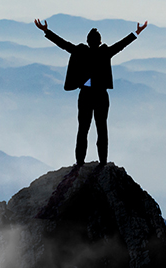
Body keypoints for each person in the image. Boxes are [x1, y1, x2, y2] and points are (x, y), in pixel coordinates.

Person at [34, 18, 147, 167]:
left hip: (85, 95)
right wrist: (136, 32)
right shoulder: (105, 53)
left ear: (87, 41)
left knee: (83, 130)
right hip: (101, 95)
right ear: (99, 42)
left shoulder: (80, 52)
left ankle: (80, 162)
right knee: (102, 129)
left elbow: (63, 44)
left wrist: (46, 31)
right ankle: (103, 163)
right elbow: (121, 45)